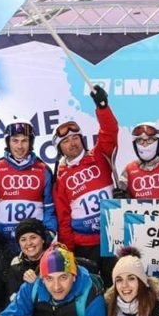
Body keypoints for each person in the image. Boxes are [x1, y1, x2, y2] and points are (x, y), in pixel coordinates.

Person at [52, 85, 118, 281]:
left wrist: (102, 106)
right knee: (91, 291)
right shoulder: (61, 177)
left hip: (113, 238)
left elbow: (110, 131)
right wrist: (68, 254)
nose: (72, 143)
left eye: (75, 137)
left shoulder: (99, 155)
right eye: (66, 141)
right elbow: (63, 219)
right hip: (84, 246)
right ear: (59, 148)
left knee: (118, 288)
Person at [0, 120, 57, 250]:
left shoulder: (43, 170)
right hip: (3, 241)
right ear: (8, 142)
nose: (20, 146)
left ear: (31, 142)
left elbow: (50, 208)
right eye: (15, 140)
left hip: (34, 243)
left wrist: (49, 232)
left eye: (24, 141)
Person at [118, 122, 159, 199]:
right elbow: (121, 204)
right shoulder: (129, 169)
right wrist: (121, 198)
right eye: (140, 140)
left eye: (150, 139)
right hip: (141, 210)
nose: (145, 144)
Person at [7, 218, 52, 298]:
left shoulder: (56, 260)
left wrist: (36, 285)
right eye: (23, 239)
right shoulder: (16, 264)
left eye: (33, 237)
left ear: (43, 240)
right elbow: (14, 301)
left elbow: (61, 298)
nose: (29, 243)